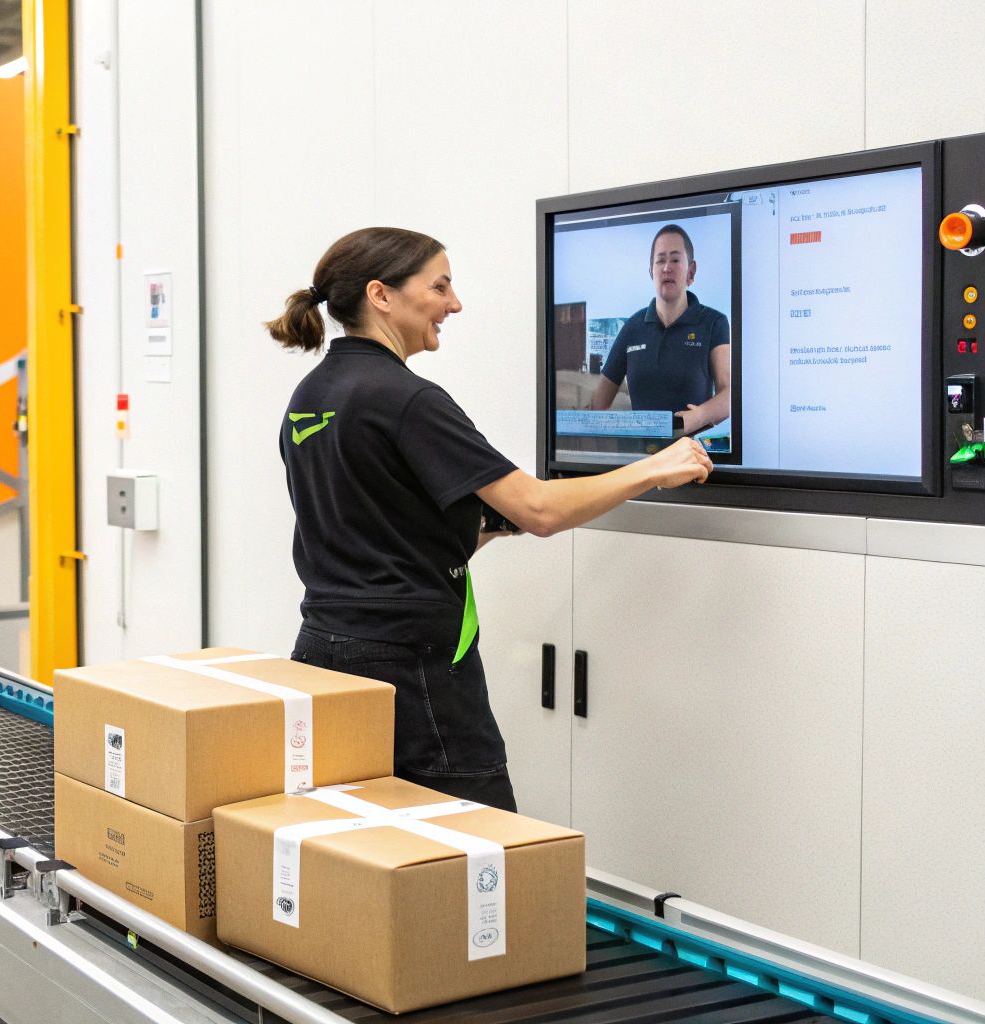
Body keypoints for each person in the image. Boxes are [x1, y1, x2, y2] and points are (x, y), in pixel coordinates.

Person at [267, 226, 711, 812]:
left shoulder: (310, 395)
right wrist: (655, 468)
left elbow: (373, 527)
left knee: (355, 841)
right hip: (411, 666)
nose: (454, 304)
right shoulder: (408, 399)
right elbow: (541, 510)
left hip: (322, 655)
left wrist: (478, 529)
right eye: (440, 286)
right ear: (381, 295)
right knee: (482, 854)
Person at [591, 224, 732, 434]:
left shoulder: (713, 322)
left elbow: (729, 394)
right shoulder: (632, 327)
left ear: (691, 271)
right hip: (643, 460)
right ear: (651, 272)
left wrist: (699, 416)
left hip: (693, 457)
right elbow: (598, 405)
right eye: (660, 260)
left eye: (675, 260)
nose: (667, 267)